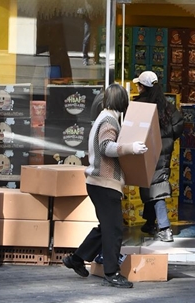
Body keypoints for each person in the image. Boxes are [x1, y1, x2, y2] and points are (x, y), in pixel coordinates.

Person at [62, 83, 148, 288]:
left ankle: (76, 259)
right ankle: (112, 272)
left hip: (98, 182)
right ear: (121, 101)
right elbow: (105, 147)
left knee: (107, 227)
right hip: (104, 182)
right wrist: (131, 148)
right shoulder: (109, 120)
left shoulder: (104, 116)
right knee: (114, 229)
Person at [133, 71, 184, 242]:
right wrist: (168, 140)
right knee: (153, 185)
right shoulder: (167, 106)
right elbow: (179, 125)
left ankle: (165, 227)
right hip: (164, 152)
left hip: (144, 151)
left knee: (155, 188)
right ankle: (149, 222)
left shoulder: (139, 105)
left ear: (142, 87)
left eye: (138, 85)